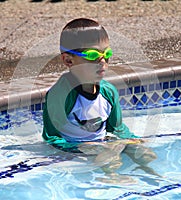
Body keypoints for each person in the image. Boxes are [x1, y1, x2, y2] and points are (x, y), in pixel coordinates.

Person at [42, 18, 157, 179]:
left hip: (102, 144)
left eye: (107, 54)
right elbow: (51, 138)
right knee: (109, 157)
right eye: (92, 55)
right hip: (74, 152)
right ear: (68, 60)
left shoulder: (108, 92)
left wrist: (132, 140)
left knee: (145, 154)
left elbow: (116, 128)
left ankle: (153, 177)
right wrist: (82, 147)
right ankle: (112, 179)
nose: (102, 61)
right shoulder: (60, 95)